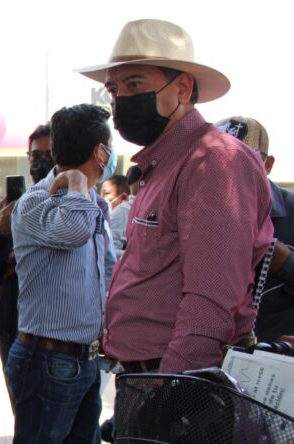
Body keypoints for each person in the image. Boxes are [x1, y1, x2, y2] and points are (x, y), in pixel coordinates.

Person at [77, 18, 273, 373]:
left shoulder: (212, 160)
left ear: (182, 88)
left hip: (172, 380)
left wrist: (170, 390)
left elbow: (211, 299)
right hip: (149, 374)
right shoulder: (166, 162)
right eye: (114, 89)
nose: (121, 98)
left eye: (134, 83)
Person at [7, 104, 117, 443]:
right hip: (46, 361)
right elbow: (74, 231)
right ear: (101, 152)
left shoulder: (93, 203)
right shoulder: (39, 201)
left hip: (84, 359)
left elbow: (107, 269)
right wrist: (75, 181)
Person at [0, 123, 52, 387]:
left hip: (56, 334)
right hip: (12, 327)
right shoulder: (3, 210)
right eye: (35, 156)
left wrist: (17, 257)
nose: (41, 162)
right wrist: (1, 231)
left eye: (49, 155)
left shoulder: (72, 206)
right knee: (22, 413)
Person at [216, 116, 294, 342]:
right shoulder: (196, 210)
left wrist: (282, 260)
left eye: (241, 160)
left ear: (267, 165)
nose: (227, 170)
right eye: (216, 159)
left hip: (271, 366)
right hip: (208, 358)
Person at [100, 175, 131, 256]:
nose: (101, 198)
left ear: (123, 198)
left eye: (106, 193)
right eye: (101, 194)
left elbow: (110, 249)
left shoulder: (122, 209)